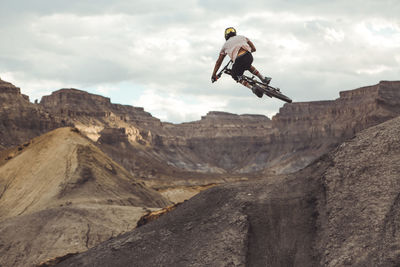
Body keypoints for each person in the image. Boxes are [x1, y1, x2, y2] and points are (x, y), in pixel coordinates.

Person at [211, 27, 271, 98]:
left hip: (238, 60)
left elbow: (218, 62)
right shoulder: (242, 37)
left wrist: (214, 74)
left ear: (226, 36)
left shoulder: (225, 45)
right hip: (249, 57)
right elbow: (254, 49)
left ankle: (253, 89)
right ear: (235, 33)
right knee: (247, 65)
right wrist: (246, 51)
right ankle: (263, 79)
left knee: (235, 75)